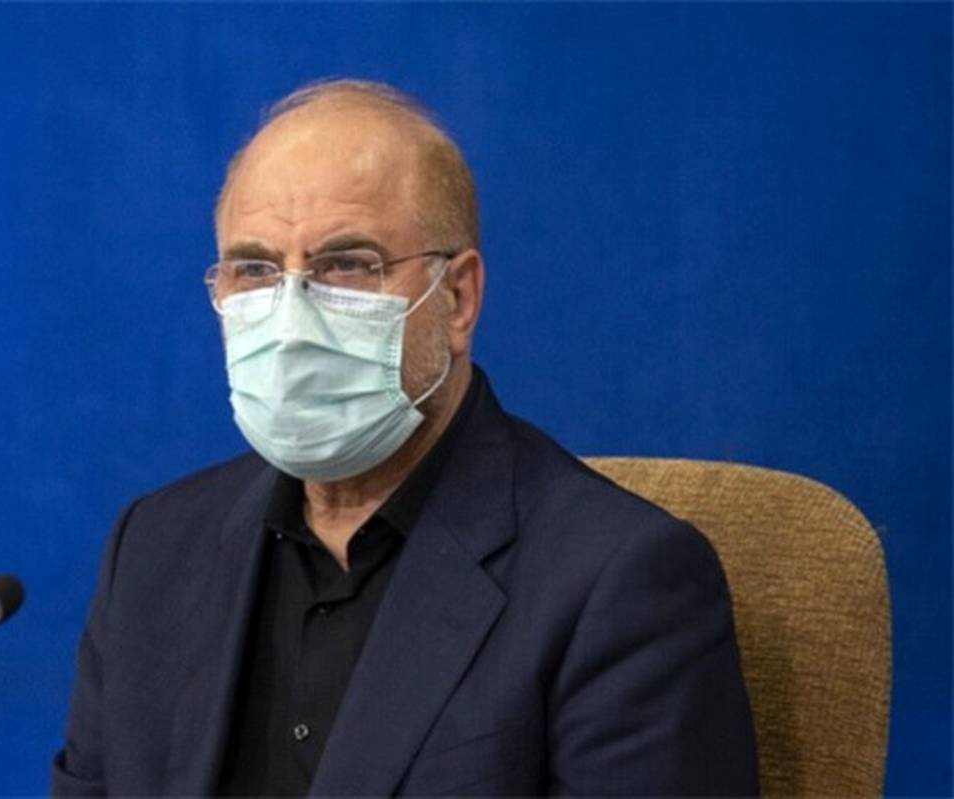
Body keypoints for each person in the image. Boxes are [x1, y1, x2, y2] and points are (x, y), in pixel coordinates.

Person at [52, 79, 759, 797]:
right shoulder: (153, 549)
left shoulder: (617, 581)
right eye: (255, 270)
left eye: (346, 264)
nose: (290, 320)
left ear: (457, 298)